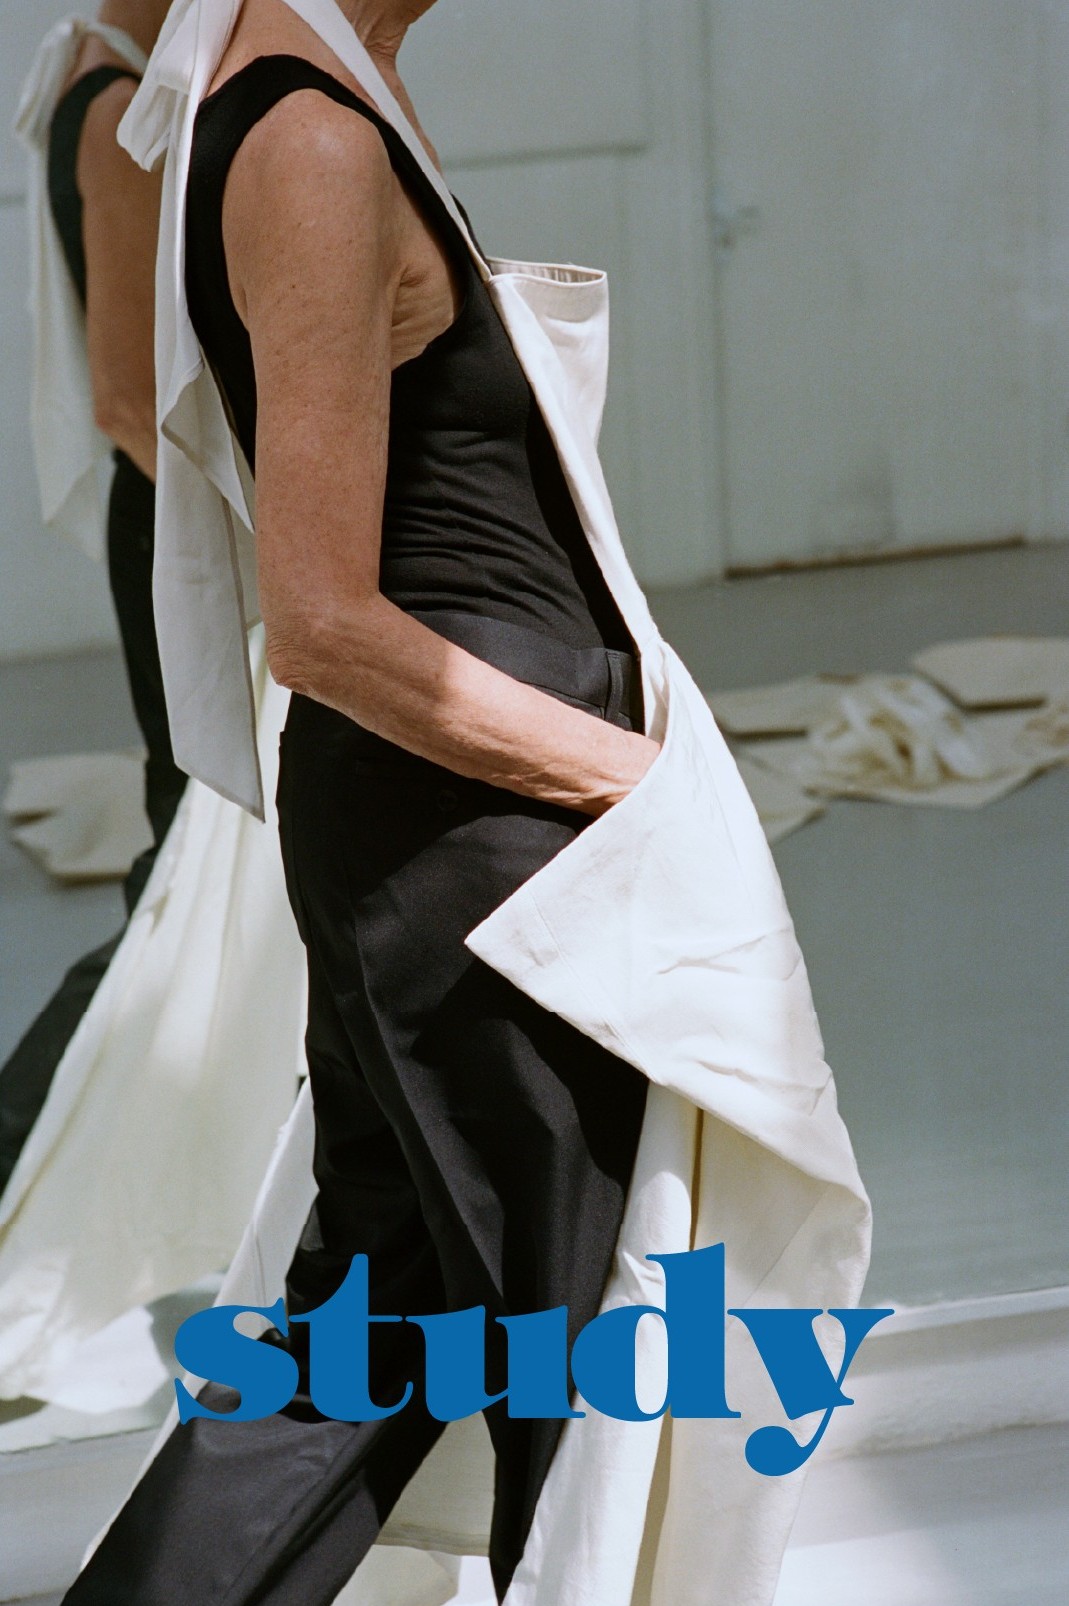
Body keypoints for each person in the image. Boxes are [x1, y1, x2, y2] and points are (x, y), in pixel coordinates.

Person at [64, 1, 874, 1602]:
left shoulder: (326, 103)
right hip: (486, 854)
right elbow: (322, 621)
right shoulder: (309, 139)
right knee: (582, 1374)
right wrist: (631, 783)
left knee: (362, 1344)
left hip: (447, 840)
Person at [1, 0, 184, 1193]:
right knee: (189, 859)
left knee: (215, 854)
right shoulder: (114, 103)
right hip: (173, 528)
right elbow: (127, 397)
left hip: (170, 522)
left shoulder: (88, 68)